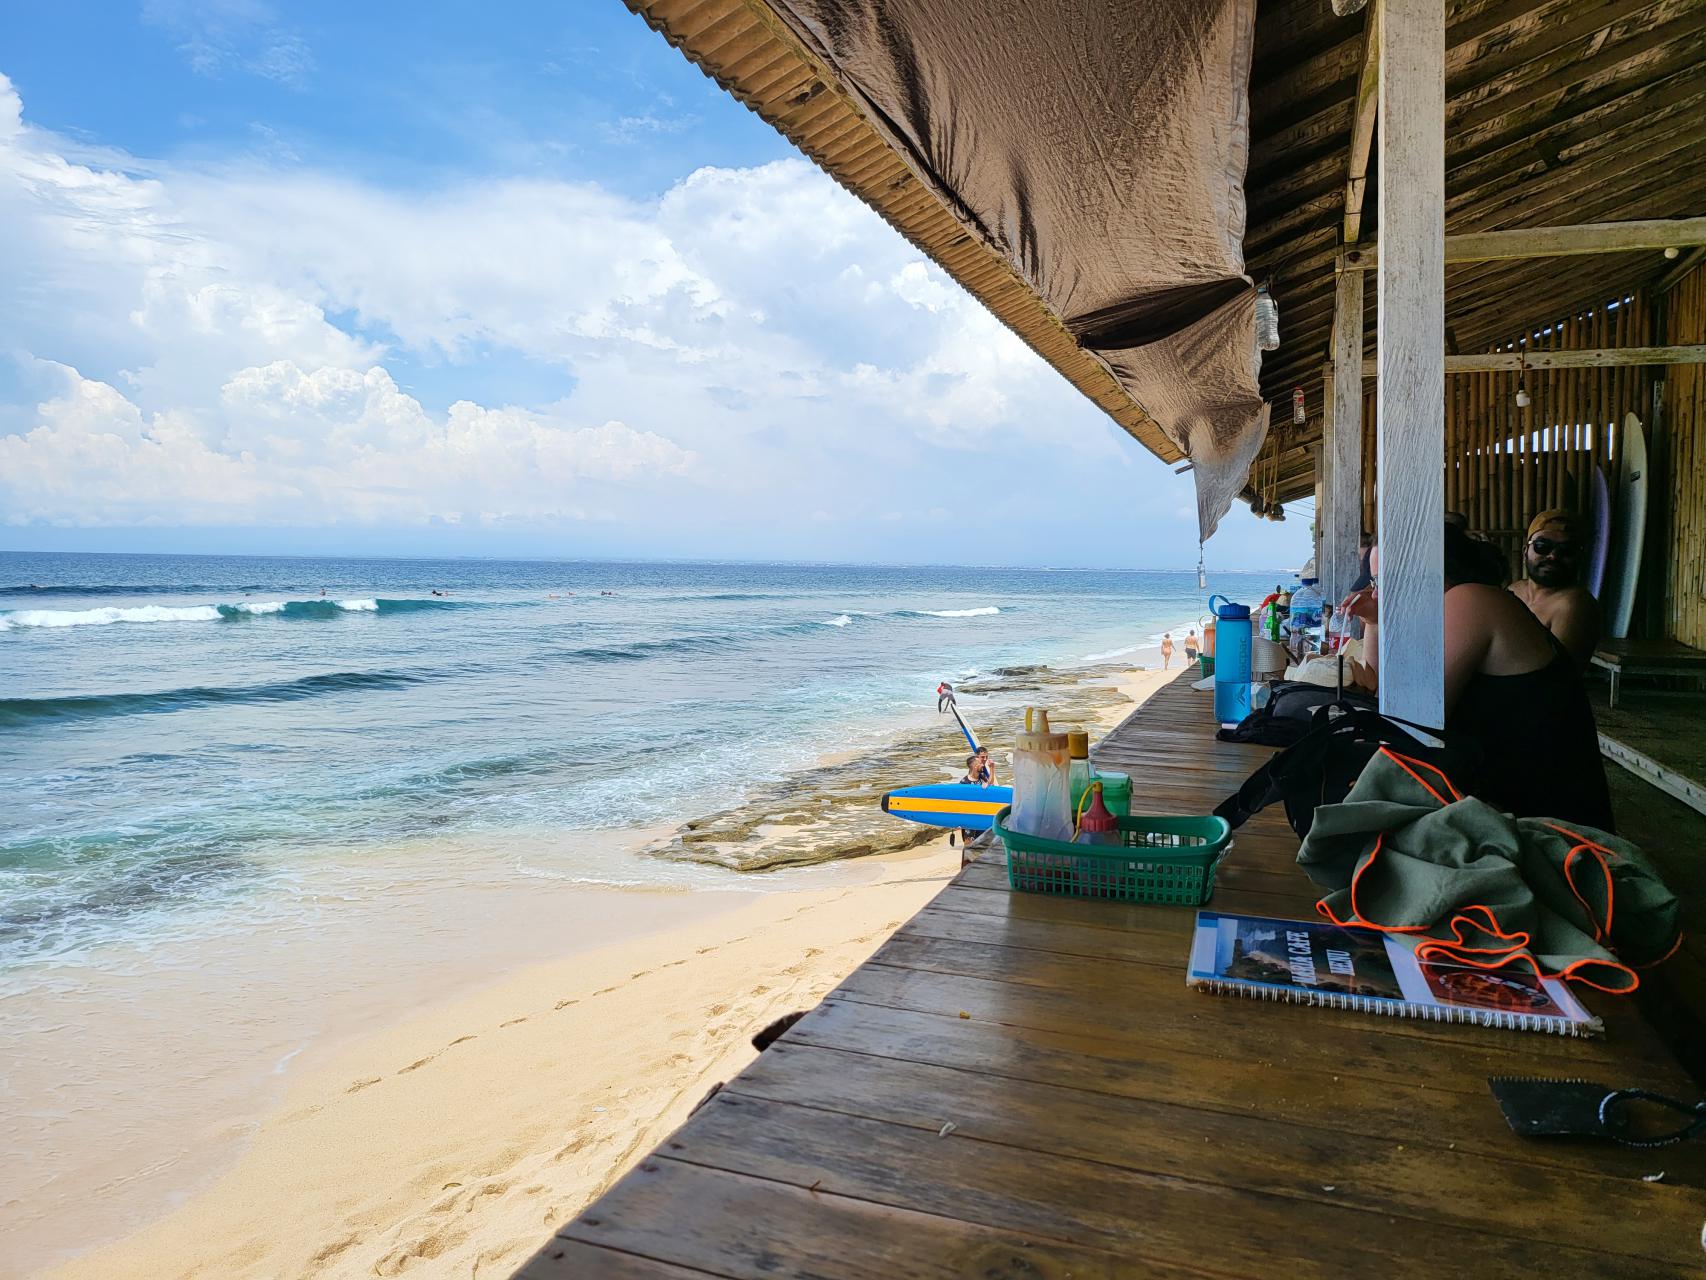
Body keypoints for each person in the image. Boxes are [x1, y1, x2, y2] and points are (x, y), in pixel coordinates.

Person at [1337, 522, 1613, 832]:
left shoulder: (1471, 601)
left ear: (1422, 571)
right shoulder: (1465, 603)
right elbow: (1380, 691)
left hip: (1552, 839)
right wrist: (1374, 620)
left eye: (1381, 581)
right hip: (1516, 816)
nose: (1375, 592)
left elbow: (1405, 726)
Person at [1508, 509, 1600, 670]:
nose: (1553, 556)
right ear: (1525, 552)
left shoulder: (1574, 605)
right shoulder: (1515, 590)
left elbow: (1557, 676)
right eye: (1542, 546)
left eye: (1566, 549)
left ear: (1579, 557)